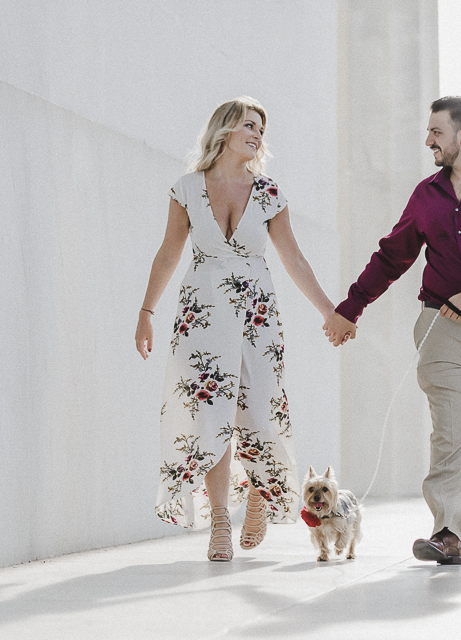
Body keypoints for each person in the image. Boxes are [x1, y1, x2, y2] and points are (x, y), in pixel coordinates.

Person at [324, 96, 461, 564]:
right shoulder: (427, 194)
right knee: (447, 428)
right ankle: (447, 531)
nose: (428, 141)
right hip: (441, 324)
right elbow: (393, 255)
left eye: (436, 133)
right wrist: (351, 307)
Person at [136, 96, 336, 561]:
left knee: (260, 407)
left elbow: (294, 259)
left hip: (255, 314)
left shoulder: (269, 193)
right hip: (201, 315)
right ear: (225, 129)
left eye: (262, 129)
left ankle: (260, 497)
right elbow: (168, 253)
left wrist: (329, 311)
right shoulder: (186, 189)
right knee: (210, 415)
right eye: (250, 125)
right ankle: (221, 519)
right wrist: (146, 311)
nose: (258, 135)